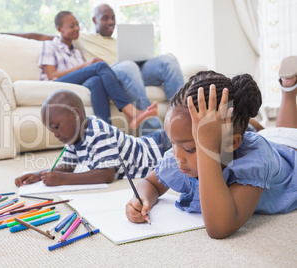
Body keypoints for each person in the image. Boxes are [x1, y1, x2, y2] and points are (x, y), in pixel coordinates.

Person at [125, 70, 297, 239]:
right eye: (173, 143)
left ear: (231, 143)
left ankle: (288, 91)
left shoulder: (254, 161)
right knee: (272, 132)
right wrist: (142, 198)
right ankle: (257, 124)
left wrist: (206, 147)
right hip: (263, 139)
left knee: (286, 133)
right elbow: (151, 183)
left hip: (290, 150)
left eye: (191, 148)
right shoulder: (182, 155)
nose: (177, 156)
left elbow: (220, 228)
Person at [14, 89, 172, 187]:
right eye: (51, 130)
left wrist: (63, 179)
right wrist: (40, 174)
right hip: (156, 145)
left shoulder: (98, 131)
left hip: (160, 148)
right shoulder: (73, 137)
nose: (55, 134)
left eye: (56, 126)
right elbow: (69, 166)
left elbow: (106, 174)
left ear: (75, 115)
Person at [74, 3, 185, 134]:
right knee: (128, 65)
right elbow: (51, 35)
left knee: (169, 60)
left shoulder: (119, 40)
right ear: (94, 20)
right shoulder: (82, 38)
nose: (110, 22)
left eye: (113, 18)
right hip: (110, 75)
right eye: (105, 18)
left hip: (134, 72)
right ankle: (154, 133)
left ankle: (183, 121)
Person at [40, 11, 157, 130]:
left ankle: (105, 133)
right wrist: (85, 65)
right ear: (59, 29)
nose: (77, 28)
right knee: (100, 66)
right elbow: (52, 75)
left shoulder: (77, 51)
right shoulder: (49, 45)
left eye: (77, 25)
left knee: (96, 81)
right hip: (57, 83)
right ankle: (131, 112)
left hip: (75, 84)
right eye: (72, 26)